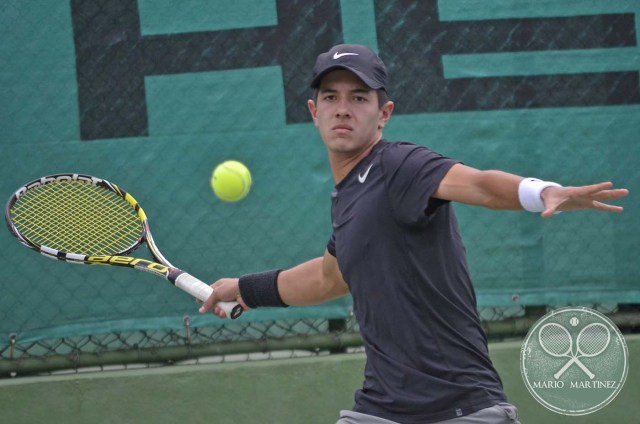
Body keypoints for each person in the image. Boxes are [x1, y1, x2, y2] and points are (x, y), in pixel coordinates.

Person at [199, 44, 629, 423]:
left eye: (358, 98)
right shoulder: (349, 198)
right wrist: (245, 289)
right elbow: (329, 277)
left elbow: (477, 184)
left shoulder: (399, 166)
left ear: (384, 113)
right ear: (314, 112)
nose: (342, 108)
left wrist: (542, 192)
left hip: (461, 406)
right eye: (330, 97)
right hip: (382, 408)